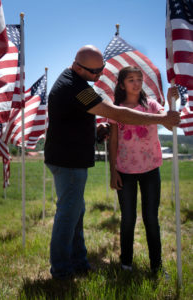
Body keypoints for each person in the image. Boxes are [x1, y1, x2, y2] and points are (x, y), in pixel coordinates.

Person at [44, 45, 180, 280]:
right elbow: (117, 113)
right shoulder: (74, 86)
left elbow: (75, 119)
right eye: (95, 72)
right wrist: (160, 118)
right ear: (78, 66)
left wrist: (95, 130)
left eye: (102, 69)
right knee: (68, 215)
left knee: (75, 213)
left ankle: (78, 262)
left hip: (69, 159)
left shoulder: (76, 84)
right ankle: (62, 271)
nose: (99, 76)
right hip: (68, 162)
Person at [108, 66, 178, 275]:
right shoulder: (116, 109)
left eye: (139, 79)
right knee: (128, 218)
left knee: (151, 218)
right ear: (122, 85)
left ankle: (156, 265)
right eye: (131, 79)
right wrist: (113, 171)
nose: (136, 83)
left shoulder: (151, 105)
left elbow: (169, 121)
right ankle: (126, 263)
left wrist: (168, 99)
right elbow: (113, 141)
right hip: (125, 171)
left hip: (150, 170)